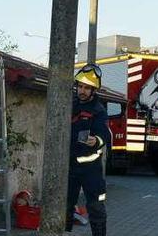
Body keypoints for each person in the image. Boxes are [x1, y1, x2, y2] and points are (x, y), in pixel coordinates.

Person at [65, 64, 111, 236]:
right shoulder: (70, 104)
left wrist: (95, 141)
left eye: (87, 88)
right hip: (70, 167)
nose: (82, 91)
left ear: (93, 90)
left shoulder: (99, 111)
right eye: (80, 86)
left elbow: (104, 135)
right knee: (65, 206)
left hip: (91, 170)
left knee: (96, 207)